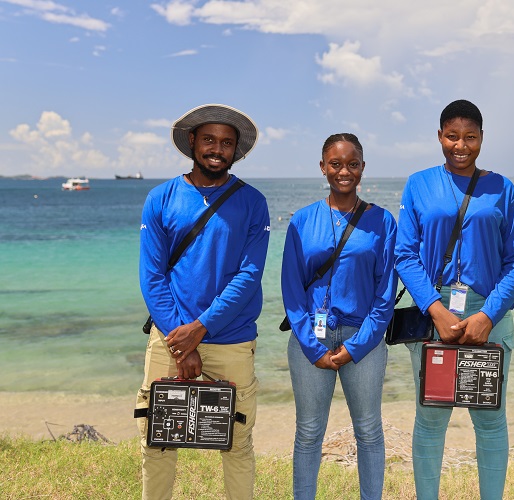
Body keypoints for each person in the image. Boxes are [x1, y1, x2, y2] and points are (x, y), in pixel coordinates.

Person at [395, 99, 514, 499]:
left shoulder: (502, 188)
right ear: (439, 136)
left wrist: (488, 315)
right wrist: (435, 310)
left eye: (470, 137)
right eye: (452, 136)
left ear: (482, 139)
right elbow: (404, 253)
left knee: (490, 421)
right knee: (431, 420)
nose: (461, 145)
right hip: (436, 316)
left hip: (489, 316)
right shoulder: (419, 183)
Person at [135, 104, 270, 500]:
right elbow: (152, 275)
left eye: (226, 143)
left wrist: (201, 329)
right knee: (157, 441)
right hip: (168, 338)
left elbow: (248, 275)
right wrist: (181, 340)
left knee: (237, 444)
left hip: (231, 340)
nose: (217, 149)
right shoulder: (160, 198)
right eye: (209, 139)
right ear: (192, 141)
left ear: (236, 150)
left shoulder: (253, 202)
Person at [281, 133, 397, 500]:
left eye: (352, 164)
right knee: (309, 432)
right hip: (310, 339)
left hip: (363, 338)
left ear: (362, 167)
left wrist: (358, 346)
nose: (343, 171)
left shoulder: (382, 222)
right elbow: (291, 290)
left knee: (368, 431)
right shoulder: (302, 221)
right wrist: (311, 346)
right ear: (322, 167)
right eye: (335, 164)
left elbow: (385, 294)